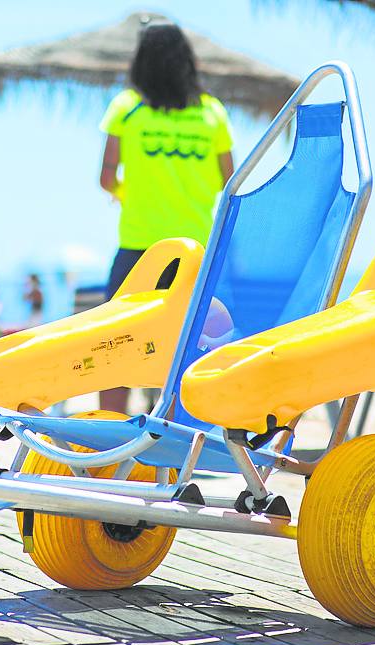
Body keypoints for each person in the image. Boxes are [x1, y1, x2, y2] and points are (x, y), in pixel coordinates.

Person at [97, 19, 235, 413]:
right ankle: (176, 433)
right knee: (188, 347)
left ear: (140, 62)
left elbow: (106, 177)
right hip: (195, 251)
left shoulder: (126, 107)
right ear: (187, 62)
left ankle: (108, 431)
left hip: (139, 247)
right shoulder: (212, 113)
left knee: (112, 346)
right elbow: (230, 181)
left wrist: (126, 193)